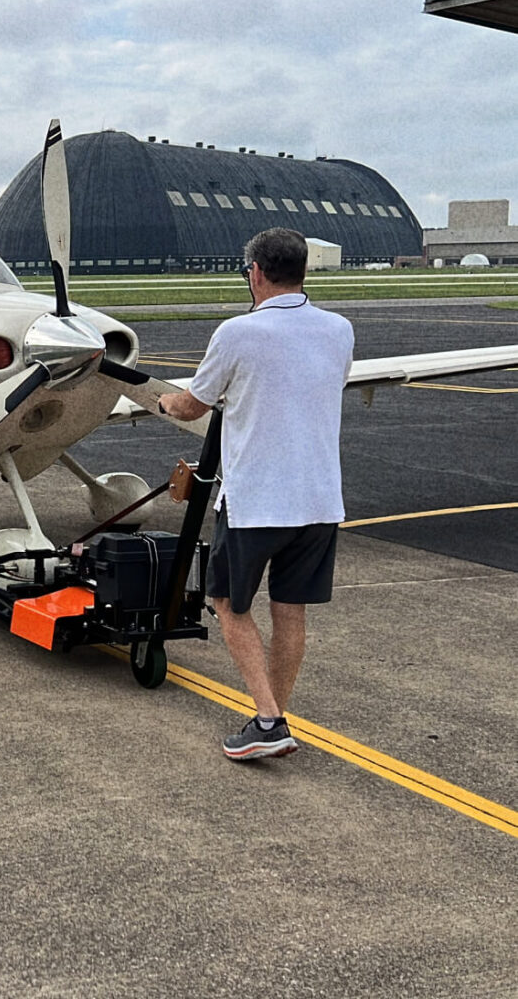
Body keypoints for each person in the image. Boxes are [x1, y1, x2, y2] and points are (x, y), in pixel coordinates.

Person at [158, 227, 354, 760]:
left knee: (226, 602)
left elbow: (193, 406)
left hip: (257, 500)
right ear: (303, 272)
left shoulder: (237, 333)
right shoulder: (339, 330)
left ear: (256, 273)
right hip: (318, 500)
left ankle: (268, 720)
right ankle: (274, 717)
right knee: (290, 611)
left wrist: (162, 401)